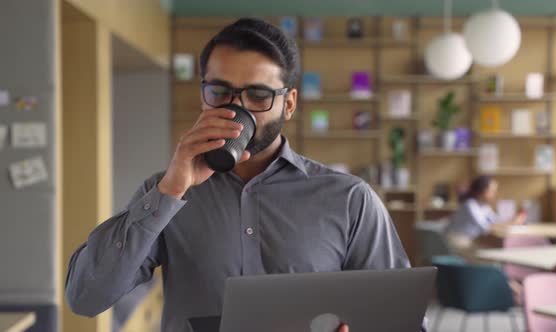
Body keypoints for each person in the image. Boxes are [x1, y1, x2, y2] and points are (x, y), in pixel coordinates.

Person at [65, 18, 417, 332]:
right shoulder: (167, 191)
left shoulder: (349, 199)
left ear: (289, 103)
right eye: (220, 92)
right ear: (204, 95)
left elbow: (401, 322)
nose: (237, 108)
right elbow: (85, 297)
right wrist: (170, 190)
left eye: (258, 95)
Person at [445, 176, 527, 251]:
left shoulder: (484, 206)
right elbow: (485, 227)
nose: (495, 194)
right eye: (492, 191)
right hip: (457, 240)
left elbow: (496, 221)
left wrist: (512, 221)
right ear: (482, 191)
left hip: (470, 240)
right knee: (491, 256)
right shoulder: (470, 205)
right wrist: (510, 223)